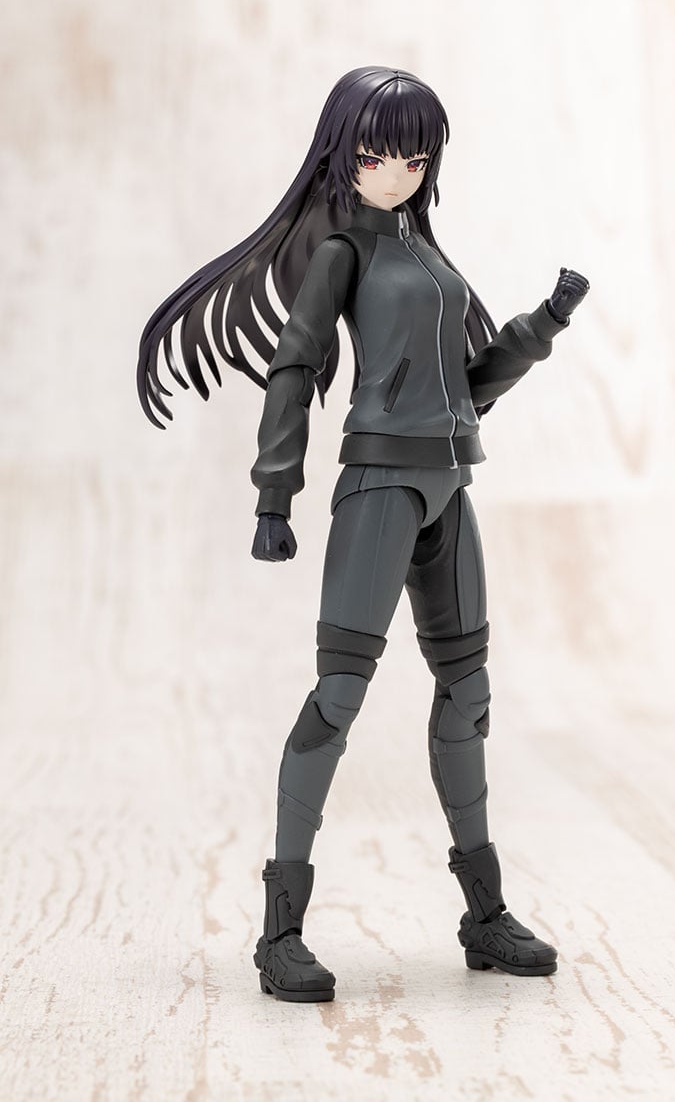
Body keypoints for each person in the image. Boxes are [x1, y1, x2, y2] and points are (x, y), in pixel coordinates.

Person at [137, 66, 590, 1003]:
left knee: (468, 694)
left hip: (448, 488)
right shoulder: (344, 252)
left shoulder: (428, 256)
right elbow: (295, 365)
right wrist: (274, 495)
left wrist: (541, 326)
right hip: (380, 486)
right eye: (378, 155)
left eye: (414, 158)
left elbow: (468, 387)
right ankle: (280, 932)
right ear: (343, 155)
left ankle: (485, 915)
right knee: (339, 697)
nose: (396, 173)